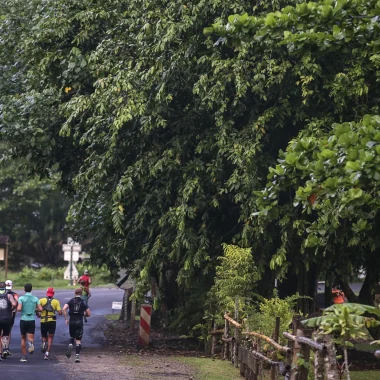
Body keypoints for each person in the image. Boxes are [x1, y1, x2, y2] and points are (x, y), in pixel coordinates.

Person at [62, 288, 91, 363]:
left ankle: (71, 344)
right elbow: (89, 313)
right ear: (81, 294)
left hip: (72, 321)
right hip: (79, 321)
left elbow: (64, 309)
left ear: (74, 293)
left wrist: (66, 319)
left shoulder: (70, 301)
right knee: (78, 340)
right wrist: (84, 315)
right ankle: (77, 356)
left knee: (72, 336)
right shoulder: (83, 302)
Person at [17, 283, 43, 363]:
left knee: (23, 338)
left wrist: (21, 308)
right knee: (30, 337)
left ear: (24, 289)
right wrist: (34, 309)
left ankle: (24, 356)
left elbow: (19, 309)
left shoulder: (21, 298)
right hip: (31, 319)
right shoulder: (35, 298)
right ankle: (31, 343)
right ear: (31, 289)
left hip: (23, 319)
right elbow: (41, 309)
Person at [39, 287, 62, 360]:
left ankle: (43, 343)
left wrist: (39, 313)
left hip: (43, 321)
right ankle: (47, 354)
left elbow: (38, 310)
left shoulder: (41, 300)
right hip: (52, 321)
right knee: (50, 337)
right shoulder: (56, 301)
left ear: (46, 293)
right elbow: (60, 312)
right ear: (53, 293)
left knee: (44, 335)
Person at [0, 282, 17, 360]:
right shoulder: (9, 295)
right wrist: (11, 309)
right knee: (6, 335)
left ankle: (0, 353)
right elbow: (14, 304)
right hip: (7, 318)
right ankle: (5, 349)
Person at [5, 279, 19, 354]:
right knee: (8, 331)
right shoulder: (14, 294)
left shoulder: (2, 293)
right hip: (10, 314)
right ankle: (6, 347)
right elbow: (18, 301)